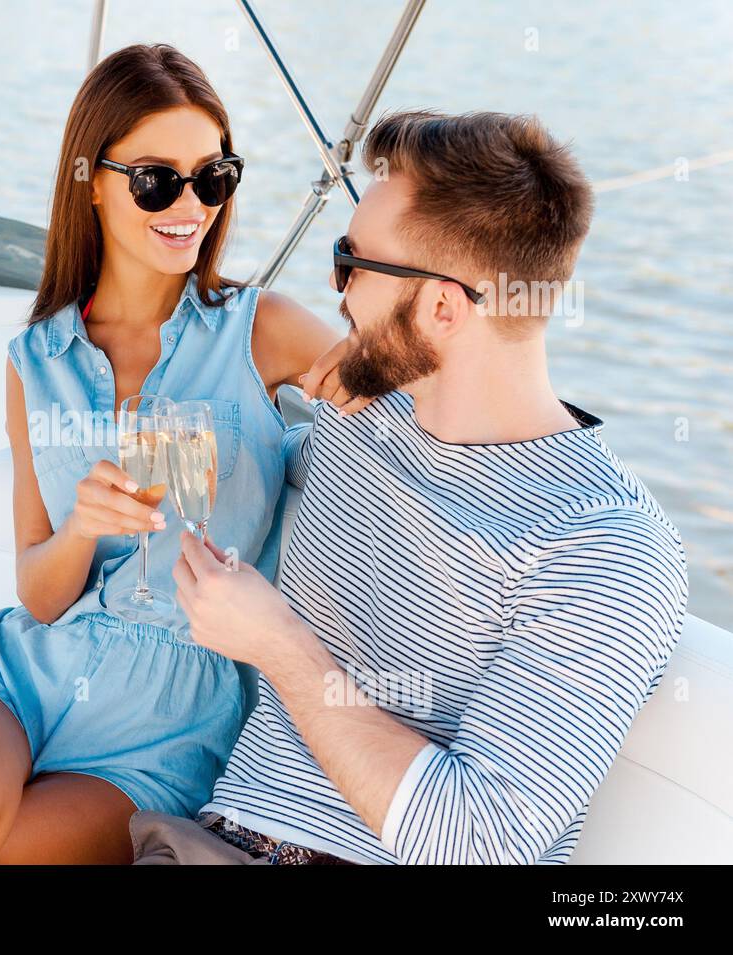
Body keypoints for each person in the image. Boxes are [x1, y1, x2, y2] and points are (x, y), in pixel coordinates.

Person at [0, 43, 360, 864]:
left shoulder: (258, 326)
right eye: (158, 180)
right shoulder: (37, 360)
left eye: (213, 177)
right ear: (88, 181)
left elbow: (391, 396)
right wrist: (81, 529)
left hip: (171, 716)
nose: (191, 205)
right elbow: (39, 589)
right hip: (24, 674)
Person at [133, 109, 689, 865]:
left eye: (350, 263)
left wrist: (280, 645)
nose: (336, 294)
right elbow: (244, 459)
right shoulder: (361, 417)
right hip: (204, 840)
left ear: (440, 307)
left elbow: (476, 842)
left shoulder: (602, 543)